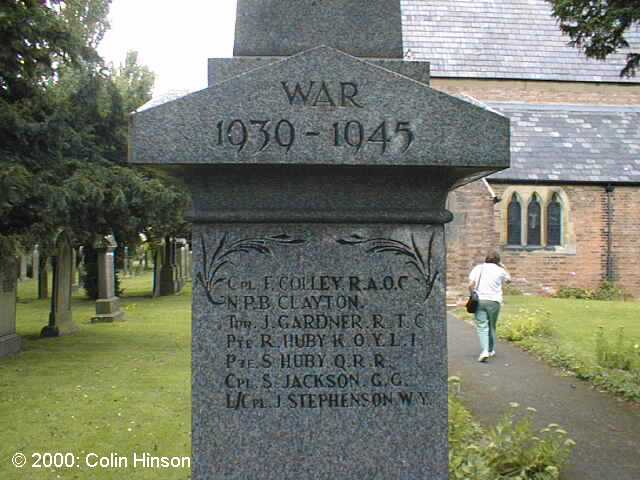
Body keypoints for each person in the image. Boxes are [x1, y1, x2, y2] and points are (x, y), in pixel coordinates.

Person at [468, 251, 511, 362]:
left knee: (482, 326)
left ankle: (485, 351)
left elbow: (470, 284)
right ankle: (491, 350)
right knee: (492, 325)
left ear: (486, 259)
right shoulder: (500, 270)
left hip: (480, 300)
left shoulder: (478, 268)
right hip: (494, 301)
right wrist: (503, 267)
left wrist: (472, 294)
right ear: (498, 261)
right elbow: (509, 281)